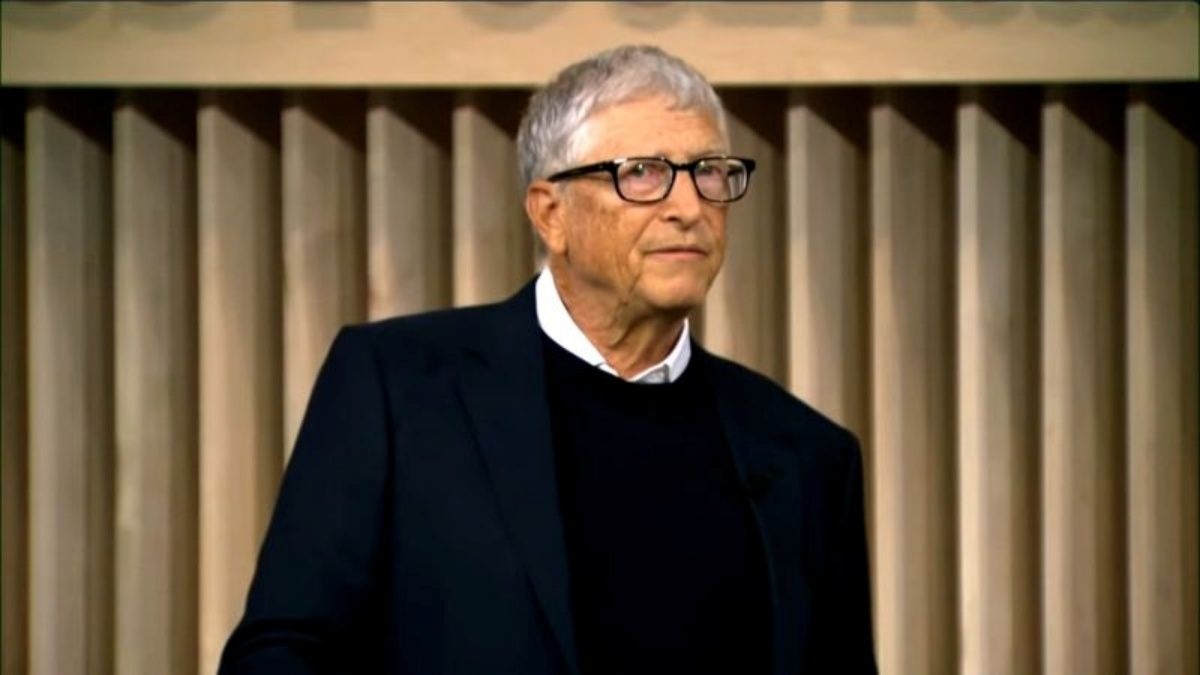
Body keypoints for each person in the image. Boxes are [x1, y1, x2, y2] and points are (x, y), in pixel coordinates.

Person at [220, 45, 876, 675]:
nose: (688, 208)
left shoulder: (809, 455)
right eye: (642, 173)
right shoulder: (396, 388)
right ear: (550, 214)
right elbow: (282, 652)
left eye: (709, 171)